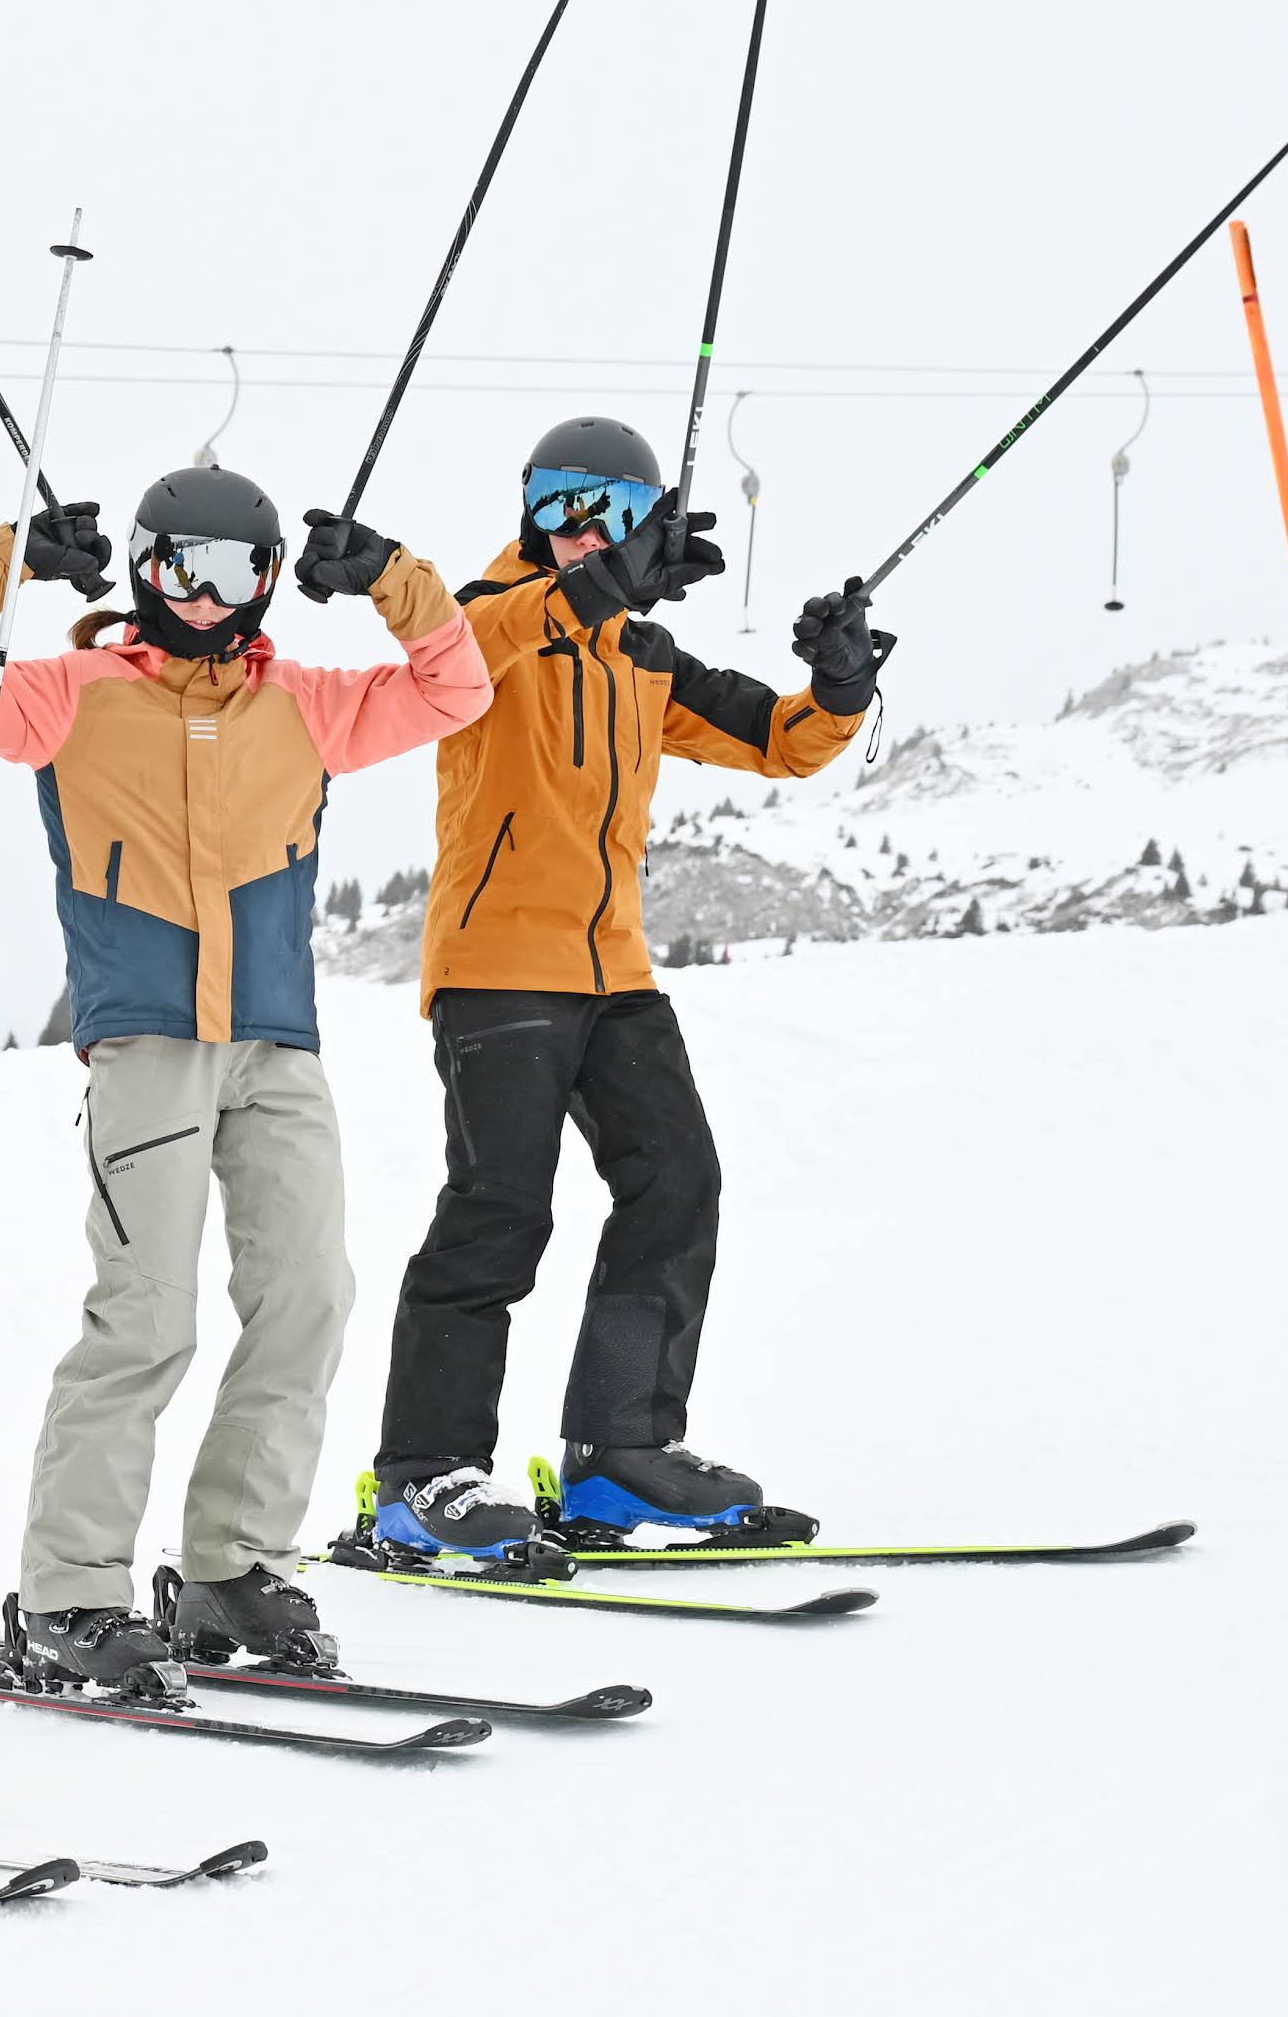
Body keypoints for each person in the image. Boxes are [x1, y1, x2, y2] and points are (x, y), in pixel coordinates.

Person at [0, 463, 494, 1690]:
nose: (201, 596)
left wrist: (389, 577)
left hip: (275, 1043)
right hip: (148, 1044)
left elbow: (453, 686)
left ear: (266, 581)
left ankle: (233, 1561)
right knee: (145, 1317)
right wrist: (9, 560)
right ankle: (69, 1590)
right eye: (176, 568)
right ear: (142, 568)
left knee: (307, 1296)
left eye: (230, 572)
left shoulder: (307, 703)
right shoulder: (71, 695)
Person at [348, 411, 892, 1572]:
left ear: (648, 522)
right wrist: (589, 590)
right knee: (498, 1211)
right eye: (559, 501)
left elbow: (779, 740)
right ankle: (422, 1475)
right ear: (527, 507)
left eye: (612, 510)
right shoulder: (486, 621)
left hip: (613, 971)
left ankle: (620, 1450)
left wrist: (838, 682)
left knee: (676, 1183)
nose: (581, 528)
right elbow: (458, 644)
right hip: (497, 965)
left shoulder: (644, 657)